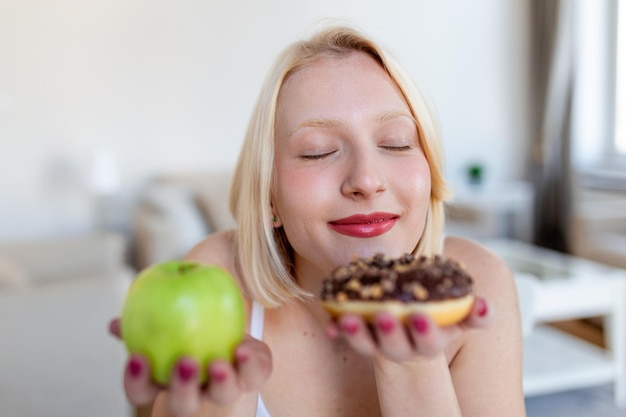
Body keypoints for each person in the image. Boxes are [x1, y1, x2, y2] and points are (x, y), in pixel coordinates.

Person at [111, 23, 526, 417]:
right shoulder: (220, 279)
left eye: (396, 143)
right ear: (268, 195)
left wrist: (413, 367)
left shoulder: (478, 284)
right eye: (318, 151)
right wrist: (220, 404)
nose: (366, 180)